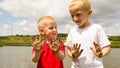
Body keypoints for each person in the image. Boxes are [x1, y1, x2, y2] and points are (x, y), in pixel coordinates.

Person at [64, 0, 111, 68]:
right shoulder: (72, 31)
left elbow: (107, 47)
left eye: (78, 14)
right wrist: (73, 55)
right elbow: (68, 50)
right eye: (72, 16)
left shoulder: (97, 28)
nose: (75, 18)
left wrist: (101, 54)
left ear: (89, 13)